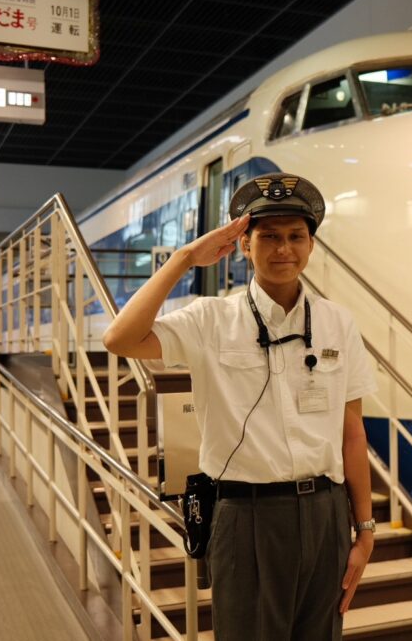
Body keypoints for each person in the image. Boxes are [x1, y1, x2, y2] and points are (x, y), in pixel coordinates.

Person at [103, 172, 377, 640]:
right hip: (246, 515)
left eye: (296, 237)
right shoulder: (211, 319)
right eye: (267, 237)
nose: (283, 249)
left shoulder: (338, 323)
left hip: (326, 515)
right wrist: (184, 259)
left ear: (311, 246)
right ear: (244, 246)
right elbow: (120, 338)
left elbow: (352, 432)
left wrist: (365, 528)